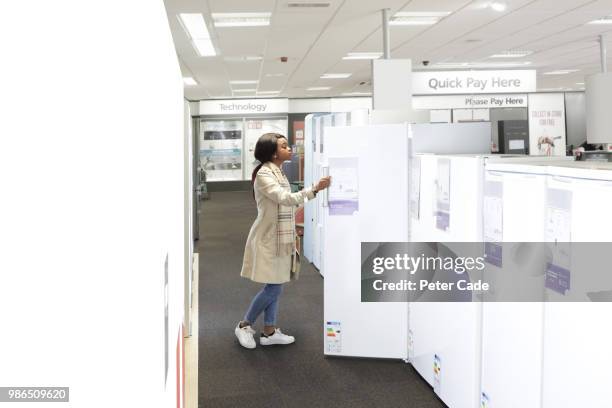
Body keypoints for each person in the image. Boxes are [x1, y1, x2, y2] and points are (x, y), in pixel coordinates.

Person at [235, 133, 331, 349]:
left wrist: (307, 197)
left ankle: (269, 332)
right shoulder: (264, 174)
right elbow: (284, 198)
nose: (290, 149)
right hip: (269, 237)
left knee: (275, 283)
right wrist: (314, 189)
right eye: (284, 146)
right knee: (274, 287)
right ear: (272, 152)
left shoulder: (278, 172)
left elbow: (287, 205)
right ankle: (244, 325)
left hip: (281, 236)